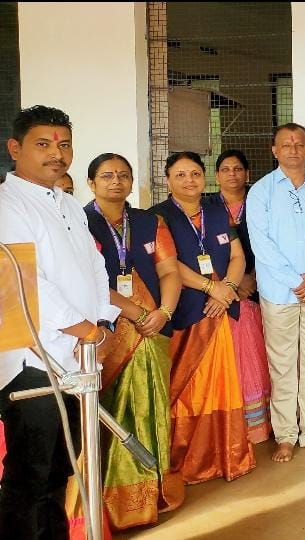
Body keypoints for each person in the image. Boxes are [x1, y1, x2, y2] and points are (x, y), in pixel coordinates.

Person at [0, 105, 118, 538]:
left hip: (76, 361)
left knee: (58, 474)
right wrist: (83, 329)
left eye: (64, 144)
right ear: (16, 148)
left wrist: (102, 322)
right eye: (44, 144)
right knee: (28, 478)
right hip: (34, 363)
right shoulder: (8, 205)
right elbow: (24, 281)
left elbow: (95, 266)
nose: (57, 154)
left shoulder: (67, 204)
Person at [83, 152, 184, 528]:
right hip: (109, 334)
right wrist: (137, 312)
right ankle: (109, 502)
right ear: (92, 183)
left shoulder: (148, 222)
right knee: (111, 414)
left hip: (153, 328)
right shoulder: (80, 223)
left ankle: (152, 489)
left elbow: (169, 270)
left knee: (152, 409)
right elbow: (89, 283)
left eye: (124, 175)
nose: (116, 182)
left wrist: (164, 313)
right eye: (107, 176)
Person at [150, 151, 255, 484]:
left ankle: (225, 452)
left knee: (222, 385)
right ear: (168, 180)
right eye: (180, 175)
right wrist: (213, 288)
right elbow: (169, 266)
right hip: (186, 311)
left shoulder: (217, 213)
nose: (189, 181)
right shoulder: (158, 218)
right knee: (186, 387)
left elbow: (236, 255)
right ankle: (187, 456)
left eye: (195, 174)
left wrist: (227, 288)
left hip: (219, 308)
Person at [247, 124, 305, 462]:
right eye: (285, 144)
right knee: (283, 366)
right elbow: (262, 245)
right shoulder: (261, 192)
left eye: (299, 144)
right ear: (274, 150)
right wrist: (296, 282)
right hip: (279, 293)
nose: (292, 149)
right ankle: (286, 435)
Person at [207, 150, 272, 445]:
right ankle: (229, 427)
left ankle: (257, 426)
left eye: (238, 169)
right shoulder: (206, 207)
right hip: (219, 294)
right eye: (225, 169)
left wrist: (253, 278)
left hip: (258, 289)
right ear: (217, 175)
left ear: (247, 174)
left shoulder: (261, 202)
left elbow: (273, 242)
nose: (232, 174)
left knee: (255, 358)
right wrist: (228, 285)